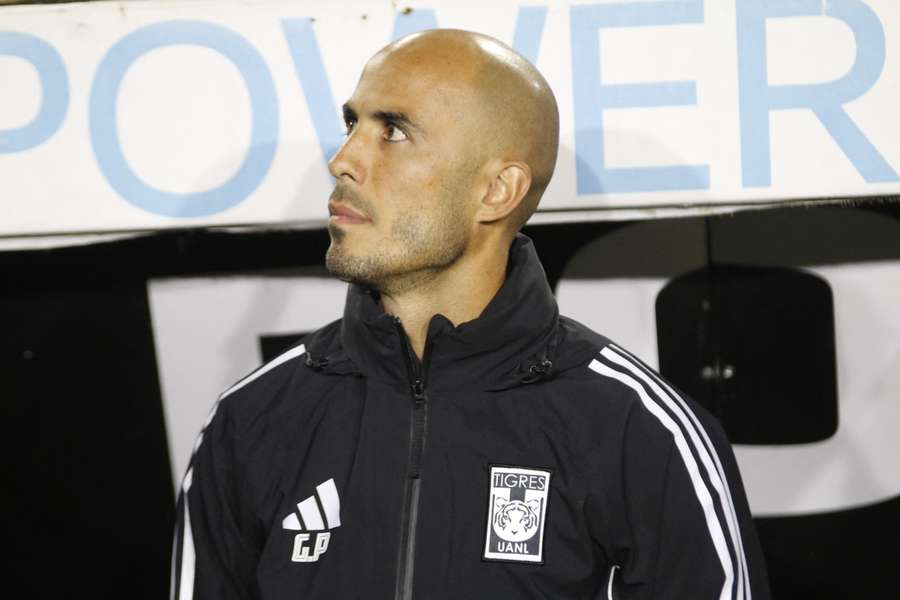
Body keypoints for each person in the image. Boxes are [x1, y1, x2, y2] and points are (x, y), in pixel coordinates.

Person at [171, 29, 770, 599]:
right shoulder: (249, 420)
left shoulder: (639, 430)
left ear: (498, 191)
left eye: (394, 132)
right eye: (353, 124)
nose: (343, 159)